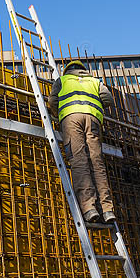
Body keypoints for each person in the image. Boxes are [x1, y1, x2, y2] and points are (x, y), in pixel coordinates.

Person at [48, 60, 115, 224]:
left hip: (71, 119)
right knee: (97, 163)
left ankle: (89, 208)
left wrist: (58, 116)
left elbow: (52, 101)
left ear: (68, 71)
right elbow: (108, 99)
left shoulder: (62, 81)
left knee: (79, 161)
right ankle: (107, 210)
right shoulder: (94, 81)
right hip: (93, 120)